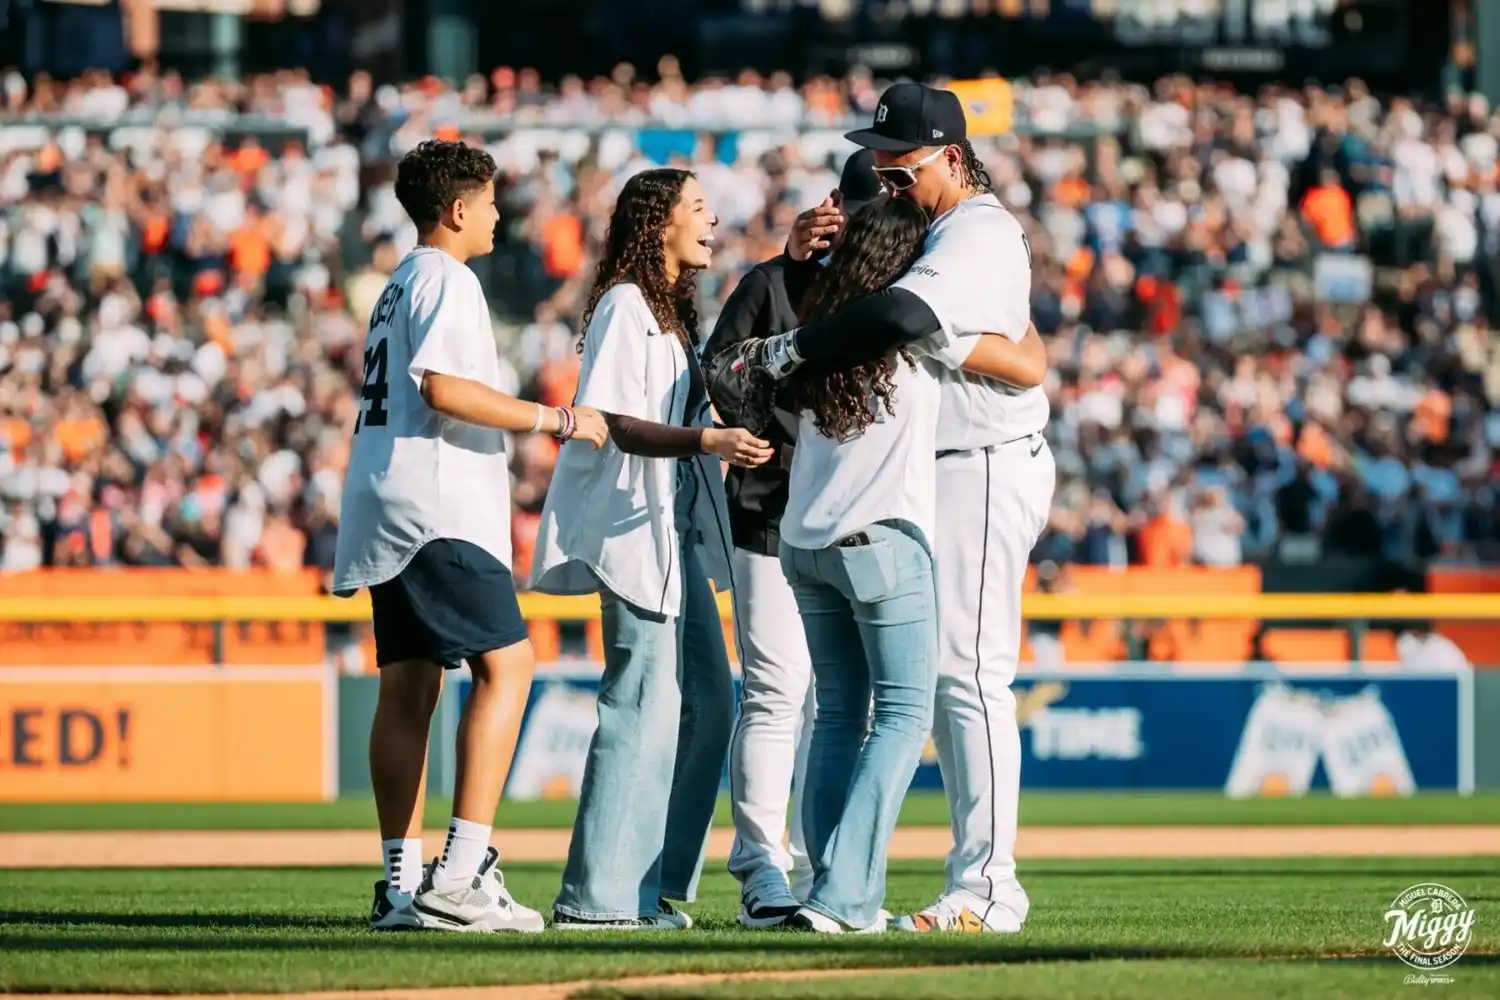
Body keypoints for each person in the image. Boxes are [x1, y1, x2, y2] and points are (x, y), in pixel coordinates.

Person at [753, 83, 1053, 935]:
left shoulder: (977, 230)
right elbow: (1011, 353)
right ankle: (834, 884)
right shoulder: (930, 228)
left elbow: (907, 314)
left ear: (952, 159)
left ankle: (990, 887)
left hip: (981, 462)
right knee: (872, 697)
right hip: (928, 469)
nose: (886, 184)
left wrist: (790, 346)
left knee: (968, 675)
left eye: (901, 170)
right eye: (878, 169)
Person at [332, 140, 607, 934]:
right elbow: (446, 389)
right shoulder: (448, 279)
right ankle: (459, 873)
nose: (497, 216)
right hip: (437, 502)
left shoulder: (397, 283)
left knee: (410, 685)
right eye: (488, 203)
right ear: (457, 210)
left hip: (386, 496)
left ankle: (399, 884)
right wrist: (553, 419)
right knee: (510, 665)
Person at [528, 168, 774, 930]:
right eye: (696, 207)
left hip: (668, 534)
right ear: (656, 222)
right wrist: (707, 437)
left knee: (709, 696)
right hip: (629, 534)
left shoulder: (672, 312)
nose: (712, 218)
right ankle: (596, 899)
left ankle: (654, 883)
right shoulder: (625, 306)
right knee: (642, 706)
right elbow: (606, 418)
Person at [702, 149, 883, 928]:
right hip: (772, 507)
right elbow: (717, 375)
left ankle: (824, 868)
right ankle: (762, 868)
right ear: (833, 203)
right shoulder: (773, 283)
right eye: (862, 204)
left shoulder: (901, 286)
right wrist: (789, 262)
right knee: (779, 694)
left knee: (841, 704)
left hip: (860, 512)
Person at [775, 194, 941, 933]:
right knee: (903, 715)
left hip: (804, 545)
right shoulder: (915, 339)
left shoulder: (814, 338)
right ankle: (844, 898)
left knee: (839, 714)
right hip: (880, 542)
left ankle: (821, 886)